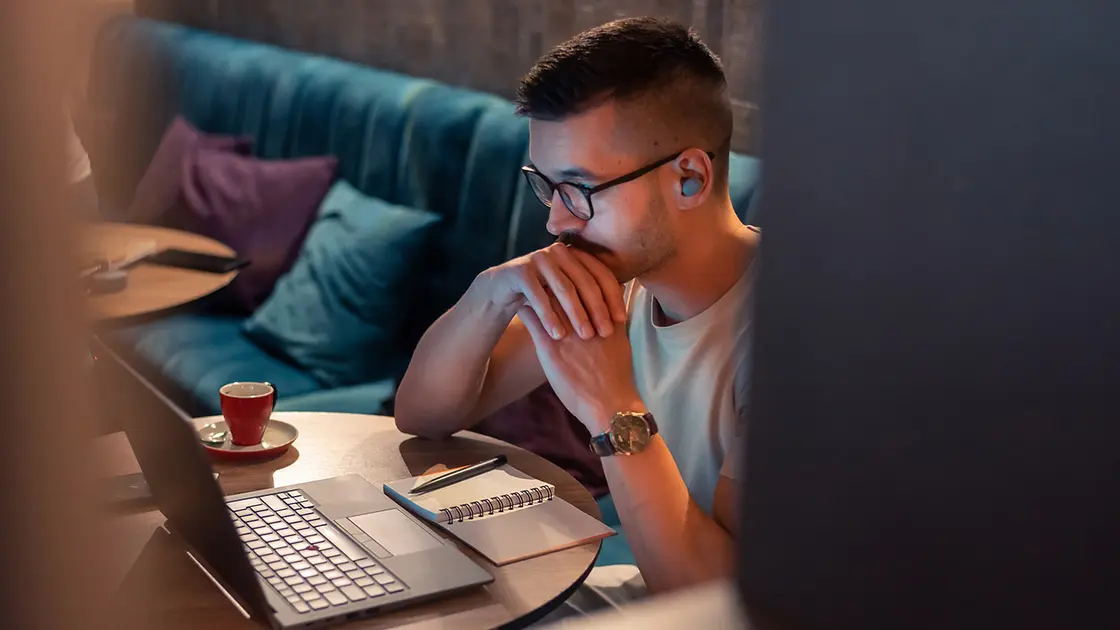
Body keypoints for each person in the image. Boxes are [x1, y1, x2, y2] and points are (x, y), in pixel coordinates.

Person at [395, 16, 759, 617]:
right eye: (547, 185)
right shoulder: (616, 279)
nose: (556, 222)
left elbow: (722, 605)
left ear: (689, 178)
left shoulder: (794, 341)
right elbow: (424, 414)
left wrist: (613, 409)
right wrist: (490, 294)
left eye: (579, 188)